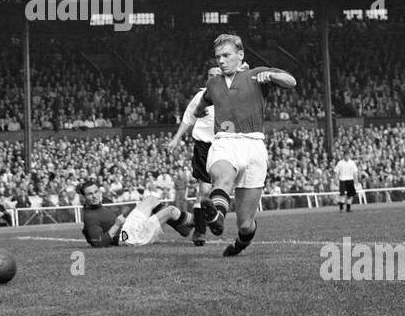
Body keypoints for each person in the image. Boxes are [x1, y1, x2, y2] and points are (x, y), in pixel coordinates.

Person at [196, 34, 297, 257]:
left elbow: (292, 81)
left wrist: (271, 75)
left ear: (240, 55)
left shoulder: (255, 75)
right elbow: (203, 102)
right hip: (225, 141)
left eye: (226, 55)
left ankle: (240, 244)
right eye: (217, 57)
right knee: (223, 176)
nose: (221, 61)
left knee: (245, 224)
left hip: (253, 146)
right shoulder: (213, 83)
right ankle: (217, 216)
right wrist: (198, 111)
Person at [169, 64, 224, 246]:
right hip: (203, 147)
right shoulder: (201, 97)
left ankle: (214, 217)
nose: (213, 78)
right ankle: (200, 231)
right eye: (210, 75)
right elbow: (188, 118)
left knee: (221, 187)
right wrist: (176, 138)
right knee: (204, 190)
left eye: (217, 75)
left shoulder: (230, 96)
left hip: (223, 146)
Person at [78, 179, 192, 248]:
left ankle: (181, 227)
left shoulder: (95, 207)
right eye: (90, 194)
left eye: (96, 192)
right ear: (84, 197)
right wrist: (116, 225)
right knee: (170, 210)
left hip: (127, 227)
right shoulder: (90, 217)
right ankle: (195, 221)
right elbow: (98, 244)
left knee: (151, 199)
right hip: (128, 237)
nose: (94, 196)